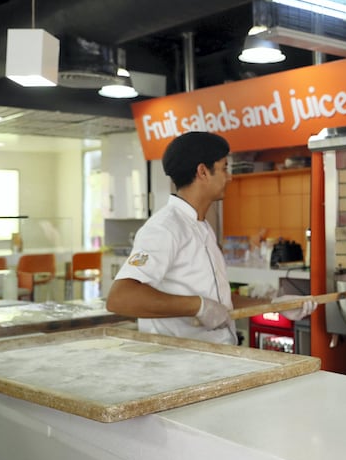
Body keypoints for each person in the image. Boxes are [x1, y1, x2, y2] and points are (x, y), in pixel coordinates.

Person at [106, 131, 315, 344]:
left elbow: (217, 302)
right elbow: (121, 298)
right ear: (203, 172)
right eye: (224, 168)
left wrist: (275, 304)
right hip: (181, 366)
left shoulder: (202, 227)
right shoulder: (165, 228)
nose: (230, 177)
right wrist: (198, 306)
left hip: (213, 359)